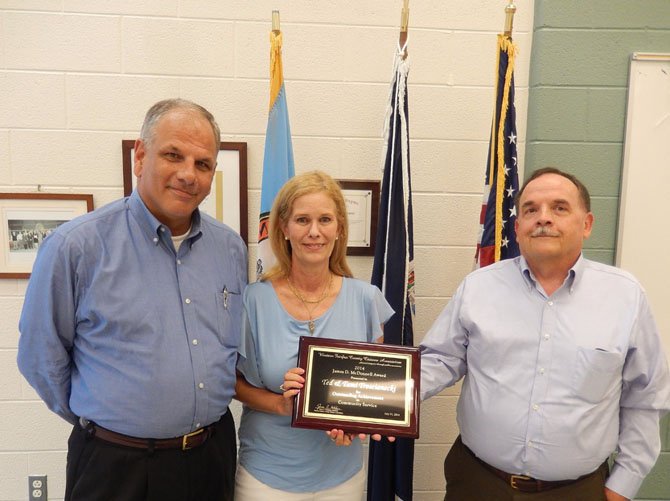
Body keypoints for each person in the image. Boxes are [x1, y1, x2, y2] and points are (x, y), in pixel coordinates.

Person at [17, 98, 247, 501]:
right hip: (115, 465)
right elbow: (40, 356)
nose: (188, 174)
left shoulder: (229, 248)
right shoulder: (75, 246)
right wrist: (108, 422)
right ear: (140, 157)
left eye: (203, 163)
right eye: (173, 155)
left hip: (210, 456)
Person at [420, 167, 670, 501]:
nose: (544, 218)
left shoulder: (626, 297)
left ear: (587, 225)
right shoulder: (478, 288)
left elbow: (646, 396)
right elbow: (440, 360)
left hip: (576, 491)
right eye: (531, 209)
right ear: (518, 227)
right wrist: (374, 399)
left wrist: (622, 485)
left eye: (560, 208)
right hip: (478, 483)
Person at [234, 171, 394, 500]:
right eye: (302, 220)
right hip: (266, 476)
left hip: (341, 477)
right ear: (284, 228)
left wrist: (353, 425)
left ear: (339, 230)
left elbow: (371, 390)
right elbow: (231, 383)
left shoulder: (366, 300)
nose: (314, 232)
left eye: (325, 220)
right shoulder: (253, 300)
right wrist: (281, 404)